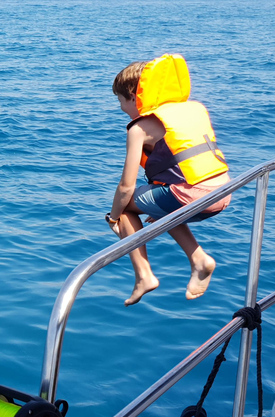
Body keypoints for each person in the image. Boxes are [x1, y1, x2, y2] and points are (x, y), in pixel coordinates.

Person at [107, 54, 232, 306]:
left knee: (126, 207)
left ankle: (144, 276)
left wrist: (113, 217)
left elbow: (126, 187)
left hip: (191, 196)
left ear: (134, 96)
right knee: (159, 199)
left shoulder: (139, 128)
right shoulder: (191, 110)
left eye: (120, 100)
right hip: (224, 192)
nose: (121, 108)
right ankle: (199, 260)